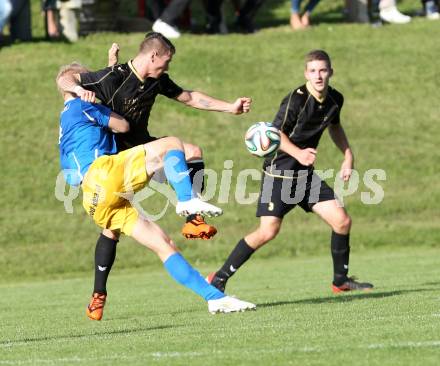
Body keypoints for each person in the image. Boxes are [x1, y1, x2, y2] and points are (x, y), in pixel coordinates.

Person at [56, 32, 252, 309]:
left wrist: (230, 108)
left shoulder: (152, 80)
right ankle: (187, 202)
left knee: (163, 239)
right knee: (173, 144)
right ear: (153, 55)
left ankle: (215, 298)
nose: (168, 67)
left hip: (95, 195)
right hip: (112, 164)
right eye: (167, 61)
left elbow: (190, 97)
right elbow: (65, 79)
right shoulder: (95, 90)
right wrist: (80, 89)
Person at [207, 50, 373, 294]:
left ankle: (341, 281)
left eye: (323, 70)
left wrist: (348, 156)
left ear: (330, 72)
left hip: (305, 177)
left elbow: (334, 127)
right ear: (306, 73)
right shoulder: (296, 100)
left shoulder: (335, 99)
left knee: (342, 221)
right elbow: (275, 133)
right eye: (313, 71)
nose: (318, 76)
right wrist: (298, 154)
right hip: (280, 175)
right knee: (268, 232)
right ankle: (218, 278)